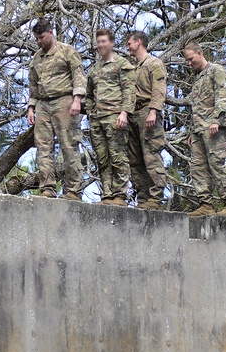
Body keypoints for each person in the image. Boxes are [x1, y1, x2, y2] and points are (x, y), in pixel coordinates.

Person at [26, 19, 87, 200]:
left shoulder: (67, 51)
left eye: (42, 37)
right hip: (43, 104)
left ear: (51, 33)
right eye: (36, 38)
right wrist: (31, 108)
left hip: (64, 101)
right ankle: (47, 188)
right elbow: (33, 85)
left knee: (69, 145)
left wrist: (77, 100)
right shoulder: (37, 58)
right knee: (43, 147)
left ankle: (73, 190)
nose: (39, 41)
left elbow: (79, 76)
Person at [183, 43, 226, 217]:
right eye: (187, 61)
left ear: (200, 53)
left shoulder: (216, 70)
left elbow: (222, 95)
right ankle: (205, 204)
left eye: (191, 59)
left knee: (217, 165)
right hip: (199, 129)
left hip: (214, 127)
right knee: (197, 166)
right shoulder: (198, 78)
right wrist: (192, 132)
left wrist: (216, 120)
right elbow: (197, 107)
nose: (189, 63)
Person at [85, 28, 135, 206]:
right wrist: (91, 113)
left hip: (115, 118)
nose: (100, 45)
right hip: (97, 120)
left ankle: (120, 195)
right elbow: (88, 95)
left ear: (112, 43)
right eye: (98, 42)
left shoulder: (122, 64)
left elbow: (129, 90)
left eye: (104, 41)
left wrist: (124, 113)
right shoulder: (94, 69)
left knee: (118, 156)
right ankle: (107, 194)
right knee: (102, 158)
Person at [126, 31, 168, 210]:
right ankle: (143, 197)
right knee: (135, 159)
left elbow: (159, 88)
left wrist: (153, 111)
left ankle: (156, 197)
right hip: (133, 114)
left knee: (151, 155)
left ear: (139, 42)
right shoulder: (133, 68)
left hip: (147, 112)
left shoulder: (154, 63)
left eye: (130, 43)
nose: (128, 47)